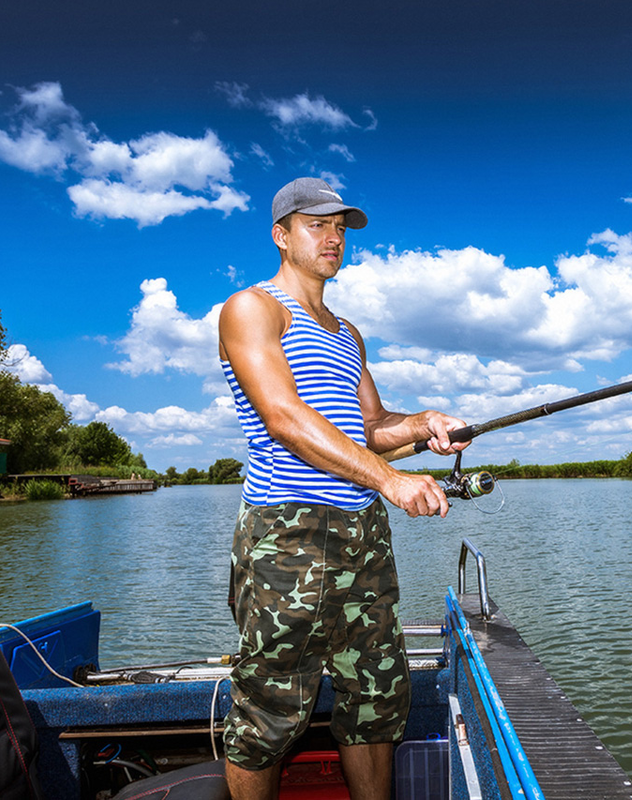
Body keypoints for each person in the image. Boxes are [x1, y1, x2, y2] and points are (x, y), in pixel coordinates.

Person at [217, 177, 468, 800]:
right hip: (286, 535)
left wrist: (425, 426)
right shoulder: (254, 308)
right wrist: (390, 480)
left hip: (363, 538)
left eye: (340, 228)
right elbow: (285, 417)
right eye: (316, 225)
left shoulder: (348, 331)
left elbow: (373, 428)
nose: (332, 238)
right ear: (282, 235)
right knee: (269, 711)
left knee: (376, 697)